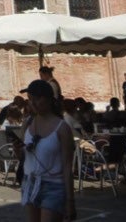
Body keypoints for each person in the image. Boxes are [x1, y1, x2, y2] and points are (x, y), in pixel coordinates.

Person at [15, 79, 75, 222]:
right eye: (30, 99)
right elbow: (24, 157)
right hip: (30, 183)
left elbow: (68, 167)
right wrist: (17, 150)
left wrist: (70, 201)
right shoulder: (28, 123)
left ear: (48, 99)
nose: (33, 103)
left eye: (37, 99)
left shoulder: (62, 128)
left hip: (54, 186)